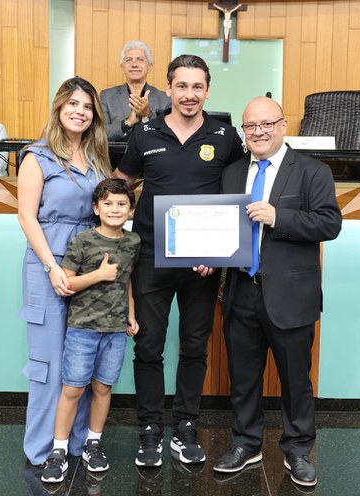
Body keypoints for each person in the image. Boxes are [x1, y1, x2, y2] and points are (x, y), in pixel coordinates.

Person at [114, 54, 245, 468]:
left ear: (208, 91)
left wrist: (218, 251)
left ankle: (186, 426)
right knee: (148, 346)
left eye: (197, 87)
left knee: (194, 346)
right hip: (151, 256)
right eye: (182, 86)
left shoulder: (225, 135)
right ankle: (150, 430)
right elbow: (120, 183)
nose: (189, 95)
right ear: (168, 89)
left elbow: (238, 193)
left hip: (202, 263)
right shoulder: (145, 133)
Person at [212, 97, 342, 487]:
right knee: (243, 379)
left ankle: (298, 451)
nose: (259, 132)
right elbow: (223, 227)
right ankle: (246, 444)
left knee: (295, 381)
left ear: (284, 126)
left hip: (291, 295)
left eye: (267, 124)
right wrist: (208, 256)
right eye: (251, 126)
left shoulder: (312, 171)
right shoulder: (232, 173)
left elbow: (329, 224)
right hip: (241, 291)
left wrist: (277, 216)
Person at [17, 76, 112, 469]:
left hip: (90, 268)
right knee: (50, 362)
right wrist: (52, 267)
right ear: (59, 107)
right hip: (49, 266)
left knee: (82, 359)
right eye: (73, 103)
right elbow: (27, 217)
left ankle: (74, 442)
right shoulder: (37, 156)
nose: (80, 111)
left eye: (87, 106)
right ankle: (42, 448)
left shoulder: (98, 160)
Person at [41, 178, 141, 483]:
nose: (115, 209)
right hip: (83, 328)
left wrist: (131, 314)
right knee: (72, 389)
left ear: (131, 210)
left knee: (103, 388)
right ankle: (58, 451)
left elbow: (127, 280)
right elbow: (66, 284)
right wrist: (99, 275)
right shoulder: (82, 241)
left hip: (114, 330)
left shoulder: (133, 242)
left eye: (122, 204)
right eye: (108, 203)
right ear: (96, 208)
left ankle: (93, 443)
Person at [100, 41, 171, 142]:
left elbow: (168, 135)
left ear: (149, 67)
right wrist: (128, 123)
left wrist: (146, 116)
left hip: (152, 152)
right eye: (129, 60)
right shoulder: (106, 97)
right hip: (118, 152)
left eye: (140, 60)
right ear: (122, 67)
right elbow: (100, 135)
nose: (134, 64)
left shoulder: (165, 99)